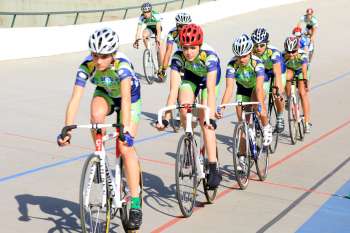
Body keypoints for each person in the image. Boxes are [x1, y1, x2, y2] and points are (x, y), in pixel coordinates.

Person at [57, 28, 142, 230]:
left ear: (112, 54)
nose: (98, 61)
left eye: (103, 57)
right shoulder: (87, 65)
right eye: (95, 55)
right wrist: (66, 128)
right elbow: (75, 97)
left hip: (128, 99)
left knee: (125, 146)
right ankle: (100, 156)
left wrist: (126, 129)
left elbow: (127, 99)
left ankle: (136, 204)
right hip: (105, 93)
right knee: (96, 116)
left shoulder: (122, 67)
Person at [156, 23, 222, 189]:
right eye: (185, 48)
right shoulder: (178, 58)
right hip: (191, 77)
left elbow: (211, 91)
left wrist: (211, 117)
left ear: (199, 45)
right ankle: (189, 142)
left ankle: (213, 167)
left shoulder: (209, 56)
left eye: (192, 48)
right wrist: (166, 118)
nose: (188, 52)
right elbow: (173, 90)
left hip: (208, 80)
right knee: (185, 108)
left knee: (205, 121)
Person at [217, 34, 272, 170]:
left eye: (244, 56)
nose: (241, 59)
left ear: (250, 53)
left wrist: (260, 105)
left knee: (256, 103)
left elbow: (259, 88)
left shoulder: (257, 63)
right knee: (243, 124)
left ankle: (266, 127)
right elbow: (229, 88)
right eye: (238, 56)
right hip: (242, 90)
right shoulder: (232, 65)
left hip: (257, 88)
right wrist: (222, 107)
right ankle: (241, 157)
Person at [251, 27, 286, 133]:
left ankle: (280, 116)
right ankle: (260, 117)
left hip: (277, 70)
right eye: (256, 45)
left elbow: (277, 73)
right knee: (260, 94)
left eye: (262, 45)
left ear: (267, 43)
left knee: (276, 94)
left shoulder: (273, 52)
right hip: (264, 73)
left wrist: (278, 88)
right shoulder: (251, 52)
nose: (259, 48)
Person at [283, 36, 312, 133]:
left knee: (302, 93)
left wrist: (305, 81)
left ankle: (307, 122)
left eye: (293, 51)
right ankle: (289, 98)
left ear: (297, 49)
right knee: (286, 78)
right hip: (291, 69)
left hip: (301, 71)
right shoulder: (283, 55)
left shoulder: (302, 55)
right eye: (288, 52)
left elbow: (304, 70)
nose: (291, 54)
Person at [158, 12, 192, 81]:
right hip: (180, 51)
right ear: (176, 25)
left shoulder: (192, 31)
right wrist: (163, 69)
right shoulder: (172, 33)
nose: (182, 29)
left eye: (185, 26)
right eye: (180, 26)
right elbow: (168, 51)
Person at [133, 2, 164, 71]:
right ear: (143, 12)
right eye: (145, 12)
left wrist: (158, 39)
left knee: (159, 47)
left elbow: (158, 29)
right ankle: (148, 51)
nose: (147, 14)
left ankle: (161, 67)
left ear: (151, 11)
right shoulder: (141, 17)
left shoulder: (156, 15)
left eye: (148, 12)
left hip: (157, 28)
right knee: (144, 35)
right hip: (149, 28)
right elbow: (138, 30)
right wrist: (136, 40)